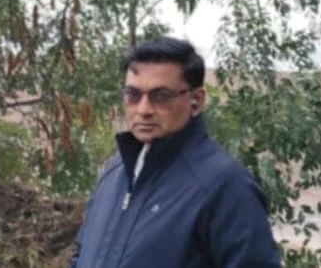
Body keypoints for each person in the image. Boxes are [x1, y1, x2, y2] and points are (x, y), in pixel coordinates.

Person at [67, 37, 280, 268]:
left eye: (161, 96)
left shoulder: (225, 184)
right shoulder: (115, 171)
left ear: (196, 101)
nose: (144, 109)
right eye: (133, 95)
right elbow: (81, 254)